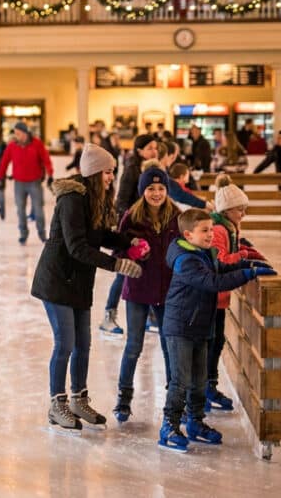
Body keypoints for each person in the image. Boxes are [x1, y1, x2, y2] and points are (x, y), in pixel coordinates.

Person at [30, 144, 142, 432]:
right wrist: (116, 265)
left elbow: (98, 234)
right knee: (65, 343)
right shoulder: (71, 198)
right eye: (107, 171)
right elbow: (77, 246)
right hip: (57, 280)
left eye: (112, 171)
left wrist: (124, 242)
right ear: (94, 172)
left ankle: (79, 398)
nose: (111, 177)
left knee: (84, 344)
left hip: (79, 281)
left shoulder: (95, 197)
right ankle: (57, 404)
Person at [158, 209, 274, 452]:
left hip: (200, 325)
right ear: (188, 235)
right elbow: (212, 282)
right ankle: (169, 426)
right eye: (205, 231)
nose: (211, 234)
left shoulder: (203, 252)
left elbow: (219, 268)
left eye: (211, 229)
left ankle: (195, 422)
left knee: (199, 381)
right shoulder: (185, 259)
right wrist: (247, 273)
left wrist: (248, 263)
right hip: (180, 326)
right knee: (180, 380)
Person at [112, 167, 179, 423]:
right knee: (133, 346)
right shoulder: (132, 216)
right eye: (151, 188)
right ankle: (124, 398)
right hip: (139, 290)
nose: (156, 193)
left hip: (167, 291)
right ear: (143, 191)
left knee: (168, 345)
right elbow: (117, 251)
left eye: (161, 188)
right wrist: (133, 252)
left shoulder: (175, 215)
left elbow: (186, 245)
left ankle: (174, 399)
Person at [207, 174, 269, 412]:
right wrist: (244, 257)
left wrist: (247, 250)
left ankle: (209, 384)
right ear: (227, 210)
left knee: (216, 341)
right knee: (211, 343)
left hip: (220, 297)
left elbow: (233, 250)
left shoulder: (230, 227)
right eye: (239, 210)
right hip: (213, 296)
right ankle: (206, 386)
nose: (242, 214)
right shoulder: (220, 230)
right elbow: (220, 261)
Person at [101, 134, 159, 334]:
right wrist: (124, 230)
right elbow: (122, 201)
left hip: (144, 230)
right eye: (150, 148)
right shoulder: (132, 170)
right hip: (131, 230)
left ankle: (150, 317)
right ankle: (109, 315)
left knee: (146, 271)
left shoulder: (149, 169)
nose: (154, 151)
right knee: (123, 274)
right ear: (140, 150)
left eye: (156, 147)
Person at [0, 122, 54, 245]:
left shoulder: (37, 144)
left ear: (25, 132)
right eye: (15, 134)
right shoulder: (11, 146)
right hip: (19, 183)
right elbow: (4, 162)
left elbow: (46, 159)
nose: (16, 136)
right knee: (20, 210)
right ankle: (23, 234)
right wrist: (0, 178)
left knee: (38, 209)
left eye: (18, 133)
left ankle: (42, 234)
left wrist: (50, 174)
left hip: (35, 182)